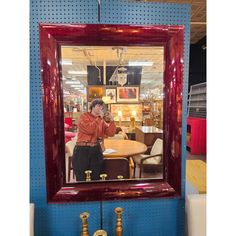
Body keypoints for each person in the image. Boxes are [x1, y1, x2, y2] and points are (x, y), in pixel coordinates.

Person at [72, 99, 116, 181]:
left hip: (96, 149)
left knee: (96, 176)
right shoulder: (83, 116)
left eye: (102, 107)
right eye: (99, 106)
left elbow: (111, 133)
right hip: (82, 150)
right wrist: (99, 118)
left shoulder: (101, 120)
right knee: (81, 177)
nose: (101, 108)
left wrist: (112, 120)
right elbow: (90, 129)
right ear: (92, 107)